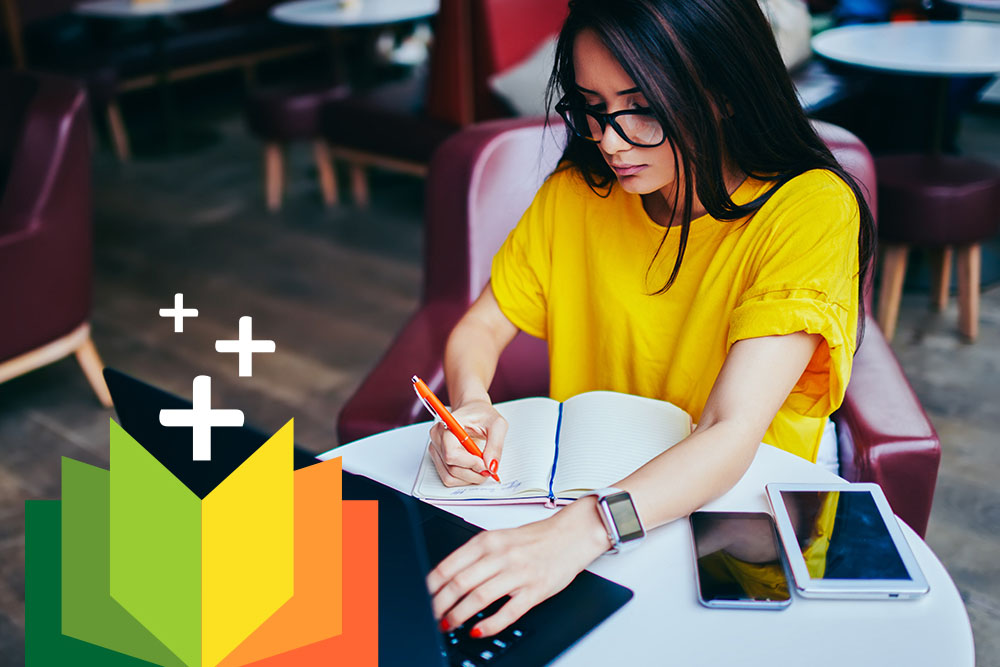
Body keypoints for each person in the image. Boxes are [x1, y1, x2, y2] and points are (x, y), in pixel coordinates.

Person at [425, 0, 876, 639]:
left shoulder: (808, 209)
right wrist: (471, 404)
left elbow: (728, 430)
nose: (608, 140)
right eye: (591, 107)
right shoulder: (579, 193)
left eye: (640, 107)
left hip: (736, 513)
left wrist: (573, 535)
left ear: (721, 91)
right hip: (593, 497)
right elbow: (481, 326)